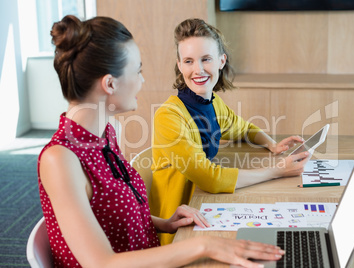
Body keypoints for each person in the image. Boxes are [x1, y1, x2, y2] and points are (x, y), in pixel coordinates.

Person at [38, 15, 285, 268]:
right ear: (110, 84)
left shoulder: (106, 134)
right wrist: (204, 244)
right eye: (138, 71)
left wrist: (165, 222)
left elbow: (112, 214)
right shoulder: (60, 159)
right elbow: (102, 263)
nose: (142, 81)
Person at [151, 18, 311, 244]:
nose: (198, 69)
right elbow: (209, 178)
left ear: (221, 61)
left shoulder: (213, 103)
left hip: (204, 208)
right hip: (178, 229)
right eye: (188, 61)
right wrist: (276, 171)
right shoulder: (169, 116)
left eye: (206, 59)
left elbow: (244, 129)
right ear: (180, 65)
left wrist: (271, 144)